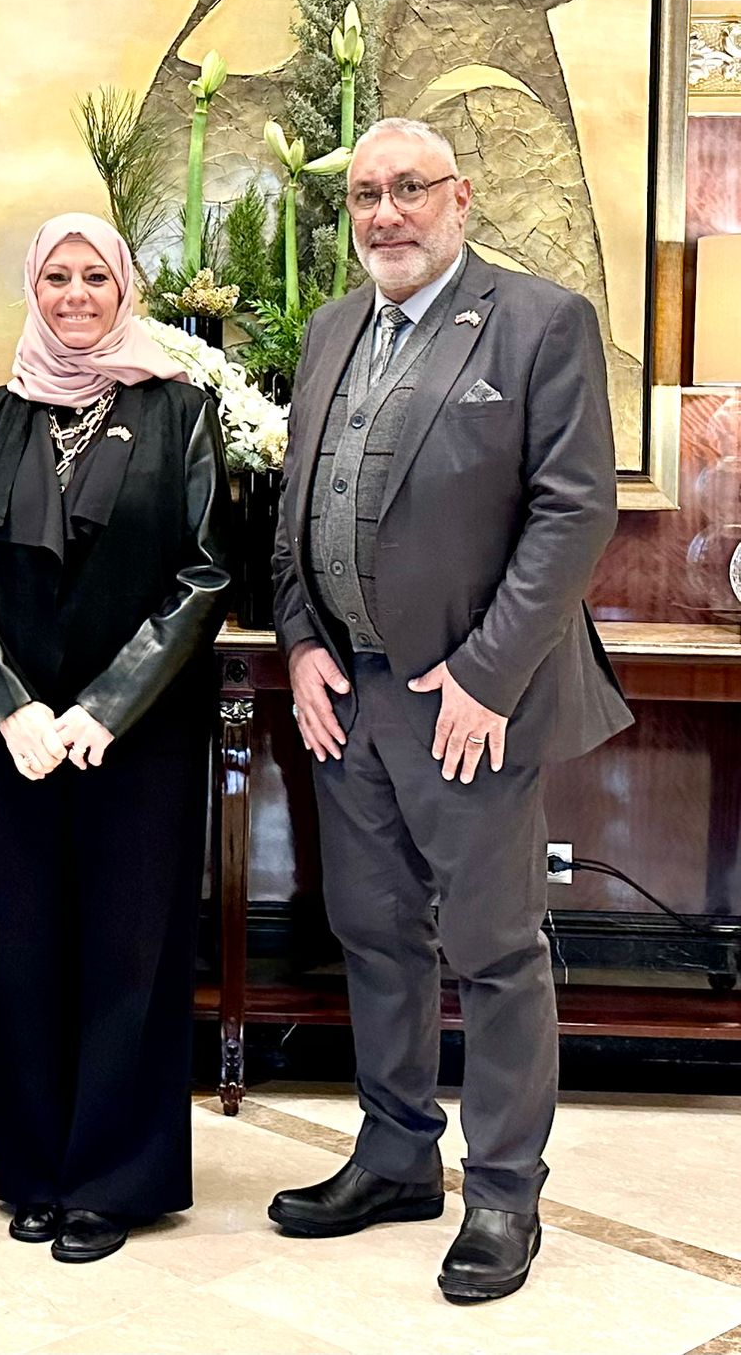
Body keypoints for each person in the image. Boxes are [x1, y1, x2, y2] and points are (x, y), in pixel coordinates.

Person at [266, 117, 633, 1302]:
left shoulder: (539, 321)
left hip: (467, 702)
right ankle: (393, 1155)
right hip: (350, 699)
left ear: (459, 198)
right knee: (373, 930)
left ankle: (505, 1190)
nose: (386, 213)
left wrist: (485, 674)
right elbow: (298, 506)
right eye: (365, 194)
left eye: (409, 188)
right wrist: (301, 642)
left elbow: (572, 510)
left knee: (494, 948)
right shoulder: (331, 329)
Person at [0, 213, 233, 1264]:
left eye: (94, 276)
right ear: (34, 288)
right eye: (56, 276)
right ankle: (34, 1169)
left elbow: (205, 570)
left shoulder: (180, 410)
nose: (74, 294)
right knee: (26, 946)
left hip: (137, 732)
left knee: (129, 948)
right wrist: (9, 702)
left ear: (124, 290)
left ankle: (113, 1179)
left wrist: (107, 705)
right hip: (20, 731)